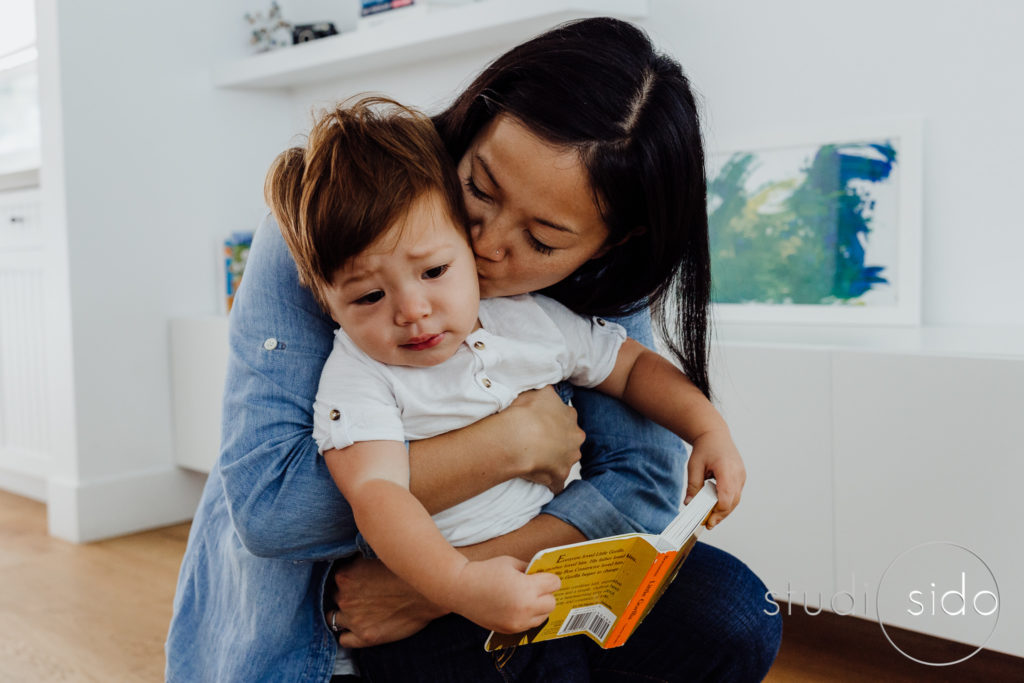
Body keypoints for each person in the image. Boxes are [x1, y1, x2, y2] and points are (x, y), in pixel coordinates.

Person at [166, 17, 781, 683]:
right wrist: (513, 442)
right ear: (473, 124)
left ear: (609, 246)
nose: (488, 244)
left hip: (473, 577)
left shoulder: (557, 308)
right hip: (320, 617)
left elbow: (642, 476)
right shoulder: (341, 231)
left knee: (735, 615)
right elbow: (272, 507)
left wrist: (436, 587)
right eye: (479, 190)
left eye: (542, 241)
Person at [265, 96, 749, 646]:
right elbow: (379, 493)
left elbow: (632, 368)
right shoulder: (359, 375)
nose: (412, 310)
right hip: (435, 607)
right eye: (370, 296)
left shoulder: (528, 319)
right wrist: (457, 583)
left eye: (435, 271)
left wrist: (709, 429)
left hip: (536, 572)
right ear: (326, 304)